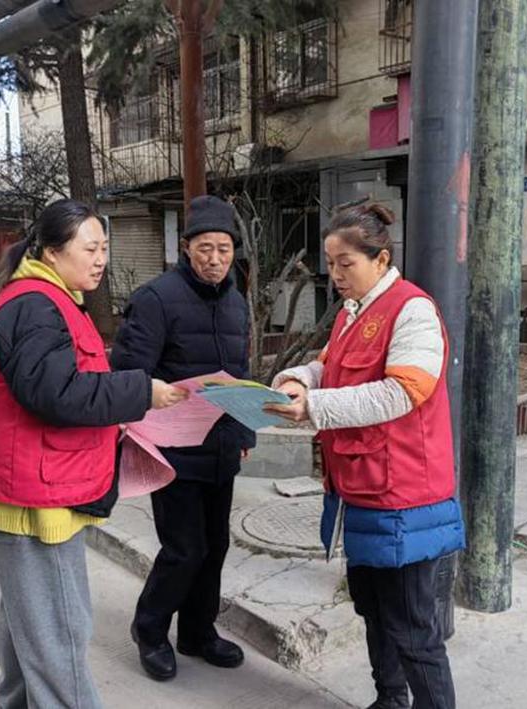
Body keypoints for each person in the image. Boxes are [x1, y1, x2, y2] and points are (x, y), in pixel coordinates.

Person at [0, 199, 187, 708]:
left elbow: (59, 384)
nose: (101, 258)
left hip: (31, 485)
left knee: (30, 623)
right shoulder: (35, 305)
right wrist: (140, 392)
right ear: (52, 251)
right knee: (60, 632)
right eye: (90, 248)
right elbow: (56, 393)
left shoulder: (48, 298)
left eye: (104, 247)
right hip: (34, 498)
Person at [267, 203, 464, 709]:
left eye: (346, 263)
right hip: (361, 489)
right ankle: (389, 699)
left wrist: (314, 406)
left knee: (414, 628)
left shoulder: (412, 310)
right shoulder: (353, 311)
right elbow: (329, 366)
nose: (335, 275)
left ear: (381, 259)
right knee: (373, 610)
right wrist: (298, 380)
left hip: (403, 494)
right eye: (331, 264)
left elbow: (402, 392)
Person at [111, 194, 256, 681]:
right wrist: (151, 406)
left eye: (224, 249)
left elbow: (239, 375)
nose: (215, 259)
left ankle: (198, 632)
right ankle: (150, 631)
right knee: (184, 550)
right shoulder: (156, 299)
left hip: (220, 447)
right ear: (186, 247)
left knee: (215, 546)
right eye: (205, 248)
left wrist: (243, 430)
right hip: (172, 449)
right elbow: (129, 373)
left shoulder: (236, 301)